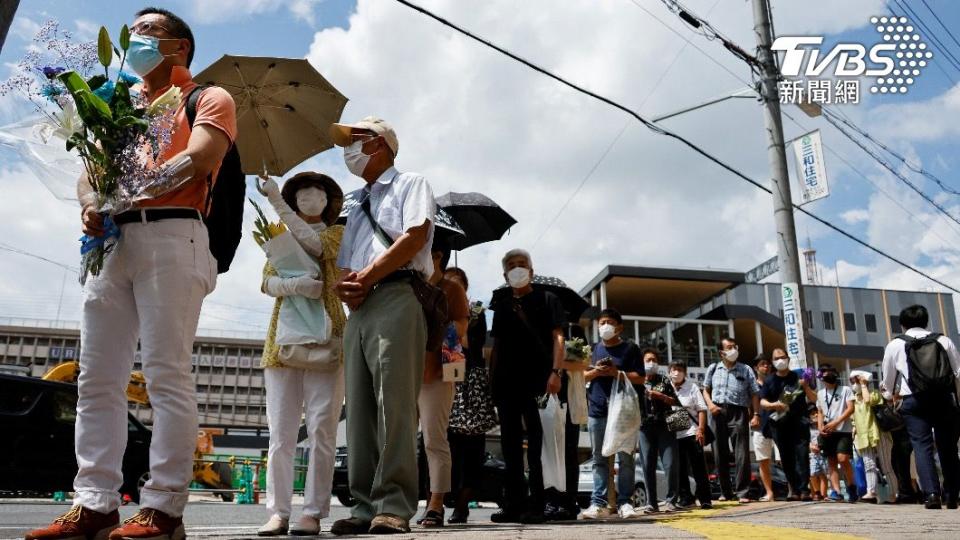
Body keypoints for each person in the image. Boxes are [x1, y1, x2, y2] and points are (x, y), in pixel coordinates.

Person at [26, 7, 237, 540]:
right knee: (96, 377)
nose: (135, 39)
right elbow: (87, 171)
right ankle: (94, 503)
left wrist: (137, 185)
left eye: (148, 32)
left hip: (174, 233)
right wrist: (91, 202)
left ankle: (164, 508)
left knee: (166, 374)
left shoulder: (208, 97)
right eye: (133, 31)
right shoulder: (115, 104)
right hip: (112, 240)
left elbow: (202, 157)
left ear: (179, 48)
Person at [329, 116, 435, 535]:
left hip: (396, 294)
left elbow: (414, 236)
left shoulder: (412, 183)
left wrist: (367, 278)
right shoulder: (354, 202)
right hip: (360, 307)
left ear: (381, 144)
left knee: (394, 405)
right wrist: (346, 288)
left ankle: (394, 504)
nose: (349, 150)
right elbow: (343, 264)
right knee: (358, 410)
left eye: (357, 141)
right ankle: (363, 506)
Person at [256, 173, 346, 536]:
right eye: (303, 192)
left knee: (323, 430)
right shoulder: (277, 237)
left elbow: (316, 246)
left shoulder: (338, 232)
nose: (311, 196)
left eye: (319, 192)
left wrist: (276, 202)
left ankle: (312, 511)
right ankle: (278, 511)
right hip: (283, 343)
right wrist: (295, 285)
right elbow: (265, 282)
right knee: (281, 433)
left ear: (329, 201)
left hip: (329, 339)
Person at [489, 249, 565, 524]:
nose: (517, 269)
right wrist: (491, 382)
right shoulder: (500, 303)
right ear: (505, 274)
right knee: (509, 446)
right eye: (512, 265)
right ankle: (513, 503)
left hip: (539, 380)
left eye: (522, 265)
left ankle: (538, 505)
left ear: (532, 271)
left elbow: (558, 337)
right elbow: (495, 346)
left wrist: (556, 372)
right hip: (507, 382)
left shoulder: (548, 299)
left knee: (536, 445)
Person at [880, 304, 960, 509]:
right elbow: (958, 373)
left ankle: (932, 494)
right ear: (926, 322)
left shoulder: (895, 344)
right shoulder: (943, 340)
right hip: (943, 398)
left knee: (921, 446)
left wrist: (889, 395)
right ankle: (952, 495)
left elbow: (888, 381)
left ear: (902, 324)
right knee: (947, 446)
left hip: (913, 400)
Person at [416, 249, 469, 528]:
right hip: (402, 369)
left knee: (434, 440)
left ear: (437, 254)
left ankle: (436, 503)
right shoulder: (404, 283)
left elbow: (462, 324)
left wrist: (442, 324)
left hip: (438, 372)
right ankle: (394, 502)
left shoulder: (452, 288)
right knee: (395, 439)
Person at [582, 309, 644, 520]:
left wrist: (616, 372)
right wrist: (597, 372)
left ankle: (625, 501)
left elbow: (640, 378)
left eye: (609, 322)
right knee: (599, 458)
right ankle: (597, 503)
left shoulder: (631, 348)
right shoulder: (591, 349)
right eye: (601, 322)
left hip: (623, 412)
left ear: (619, 327)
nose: (604, 326)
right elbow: (580, 376)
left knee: (626, 457)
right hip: (597, 409)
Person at [445, 267, 493, 524]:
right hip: (444, 378)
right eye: (447, 284)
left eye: (457, 285)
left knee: (472, 447)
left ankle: (463, 503)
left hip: (470, 380)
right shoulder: (435, 306)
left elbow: (468, 345)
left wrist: (454, 323)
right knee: (446, 444)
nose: (451, 289)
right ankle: (443, 499)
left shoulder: (476, 311)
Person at [702, 336, 761, 503]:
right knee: (719, 453)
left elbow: (755, 393)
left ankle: (743, 492)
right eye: (729, 347)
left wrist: (756, 415)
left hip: (739, 411)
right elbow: (705, 390)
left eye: (735, 346)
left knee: (741, 453)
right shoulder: (713, 368)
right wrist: (711, 405)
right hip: (717, 412)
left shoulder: (746, 369)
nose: (733, 349)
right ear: (721, 352)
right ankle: (725, 492)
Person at [759, 349, 816, 501]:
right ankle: (794, 490)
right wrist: (774, 404)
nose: (780, 360)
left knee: (802, 455)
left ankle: (805, 489)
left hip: (800, 423)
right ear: (773, 361)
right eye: (776, 358)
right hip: (779, 425)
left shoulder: (799, 377)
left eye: (783, 357)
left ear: (788, 359)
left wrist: (806, 387)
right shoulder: (770, 380)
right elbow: (762, 402)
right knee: (786, 458)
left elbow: (814, 398)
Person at [639, 349, 681, 513]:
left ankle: (671, 501)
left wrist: (660, 396)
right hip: (644, 427)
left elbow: (675, 401)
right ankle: (652, 503)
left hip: (665, 425)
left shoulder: (664, 380)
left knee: (670, 463)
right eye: (648, 359)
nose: (651, 362)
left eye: (654, 359)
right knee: (647, 465)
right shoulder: (637, 381)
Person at [670, 360, 713, 510]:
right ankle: (686, 498)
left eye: (680, 369)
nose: (676, 372)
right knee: (680, 468)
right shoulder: (666, 388)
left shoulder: (692, 387)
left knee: (699, 467)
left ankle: (705, 499)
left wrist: (700, 430)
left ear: (685, 372)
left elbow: (702, 409)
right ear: (669, 371)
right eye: (674, 369)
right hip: (675, 433)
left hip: (692, 432)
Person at [815, 364, 857, 503]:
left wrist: (836, 422)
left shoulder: (845, 389)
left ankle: (851, 487)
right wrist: (820, 426)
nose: (828, 376)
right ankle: (836, 491)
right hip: (827, 432)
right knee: (831, 461)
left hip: (843, 430)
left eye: (830, 373)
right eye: (825, 374)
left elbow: (850, 409)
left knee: (843, 459)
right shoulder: (821, 393)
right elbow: (820, 411)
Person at [849, 370, 883, 504]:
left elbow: (868, 400)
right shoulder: (855, 399)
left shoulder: (874, 394)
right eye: (853, 382)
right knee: (868, 464)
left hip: (874, 433)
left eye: (855, 381)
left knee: (885, 466)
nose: (854, 384)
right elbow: (853, 418)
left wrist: (863, 385)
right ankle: (871, 491)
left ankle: (890, 492)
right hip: (861, 436)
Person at [751, 355, 777, 502]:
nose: (766, 367)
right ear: (756, 368)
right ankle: (769, 493)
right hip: (760, 427)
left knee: (784, 459)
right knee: (763, 460)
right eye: (762, 364)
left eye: (767, 364)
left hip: (779, 425)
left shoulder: (776, 382)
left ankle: (793, 491)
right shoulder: (752, 385)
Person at [808, 406, 828, 501]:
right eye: (812, 414)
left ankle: (824, 494)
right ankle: (816, 492)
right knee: (812, 473)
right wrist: (810, 446)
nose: (816, 415)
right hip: (813, 454)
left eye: (817, 412)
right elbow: (806, 440)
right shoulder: (808, 429)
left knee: (823, 474)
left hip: (823, 453)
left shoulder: (824, 427)